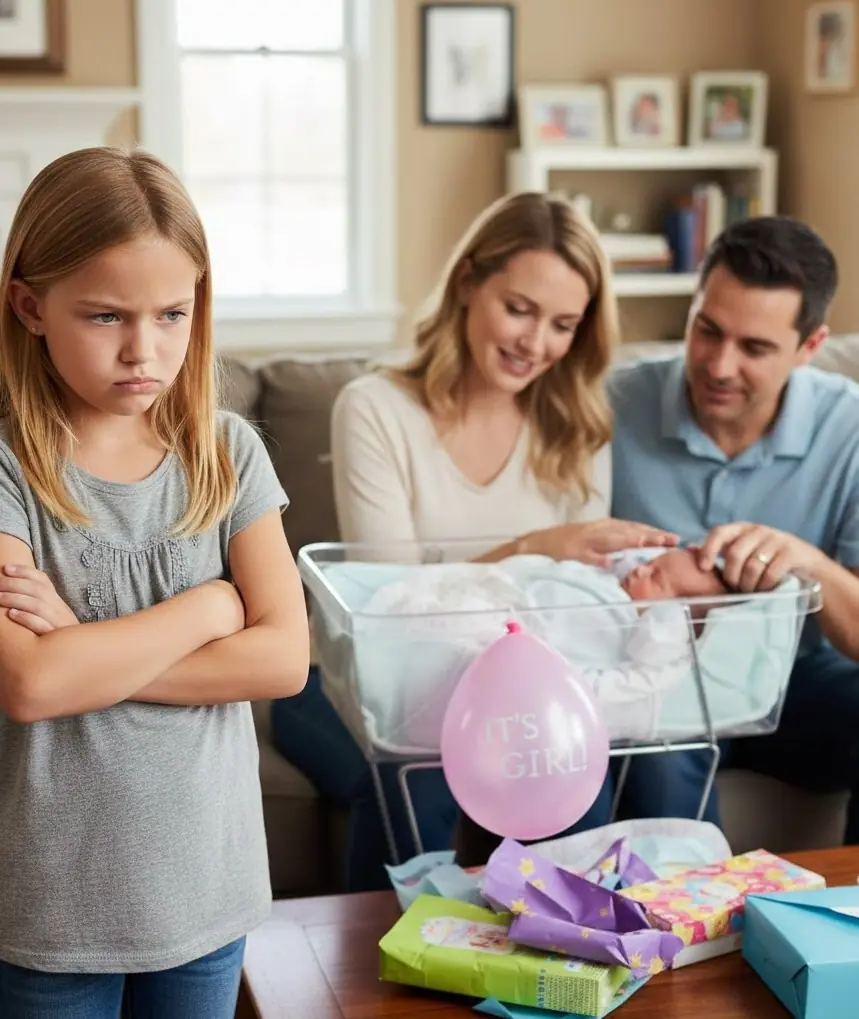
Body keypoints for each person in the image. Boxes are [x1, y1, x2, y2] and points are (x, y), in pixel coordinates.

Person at [270, 191, 679, 891]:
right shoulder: (375, 407)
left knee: (575, 771)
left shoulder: (578, 425)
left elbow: (572, 611)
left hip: (511, 691)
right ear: (467, 283)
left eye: (561, 324)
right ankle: (382, 976)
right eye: (518, 308)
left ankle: (568, 960)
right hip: (354, 681)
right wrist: (538, 544)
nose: (534, 342)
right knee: (414, 770)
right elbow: (390, 602)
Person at [0, 147, 310, 1018]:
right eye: (105, 316)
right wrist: (211, 609)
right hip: (53, 909)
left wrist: (85, 650)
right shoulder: (9, 469)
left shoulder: (227, 452)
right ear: (30, 305)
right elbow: (29, 682)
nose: (145, 350)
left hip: (206, 895)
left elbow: (283, 659)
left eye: (173, 313)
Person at [608, 214, 859, 842]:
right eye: (707, 330)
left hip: (797, 684)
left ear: (810, 346)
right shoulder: (612, 407)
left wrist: (807, 562)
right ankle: (680, 937)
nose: (719, 366)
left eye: (754, 348)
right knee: (658, 741)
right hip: (658, 682)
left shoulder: (849, 429)